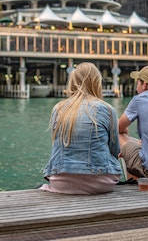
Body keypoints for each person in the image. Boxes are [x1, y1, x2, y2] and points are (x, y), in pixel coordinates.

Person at [40, 62, 121, 195]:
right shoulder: (106, 109)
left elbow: (56, 146)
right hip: (101, 182)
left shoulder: (59, 108)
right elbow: (115, 150)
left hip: (61, 181)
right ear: (97, 83)